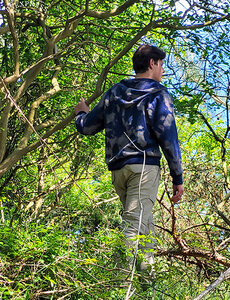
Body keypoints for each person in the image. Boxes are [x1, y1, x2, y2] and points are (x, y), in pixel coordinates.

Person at [74, 44, 184, 271]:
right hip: (144, 168)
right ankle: (120, 284)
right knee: (134, 226)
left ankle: (147, 285)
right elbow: (168, 137)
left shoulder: (114, 92)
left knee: (144, 225)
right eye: (161, 65)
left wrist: (81, 112)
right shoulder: (158, 94)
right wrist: (178, 177)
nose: (162, 71)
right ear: (152, 63)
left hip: (118, 172)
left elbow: (86, 127)